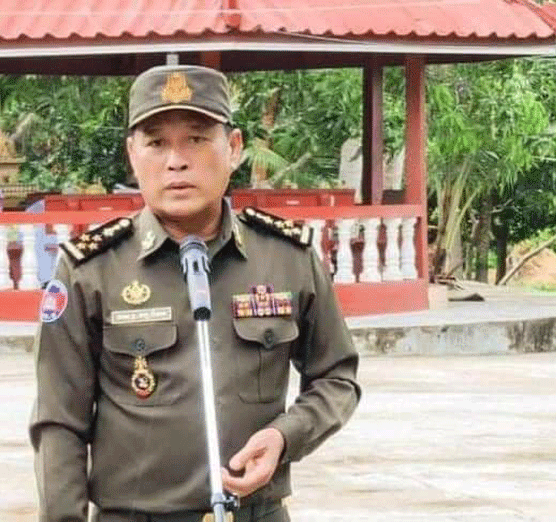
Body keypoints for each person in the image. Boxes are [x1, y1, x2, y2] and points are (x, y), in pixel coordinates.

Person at [29, 64, 361, 522]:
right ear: (132, 154)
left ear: (234, 147)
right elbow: (59, 421)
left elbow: (336, 377)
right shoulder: (89, 270)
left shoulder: (287, 257)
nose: (176, 161)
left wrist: (286, 435)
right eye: (156, 143)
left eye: (196, 139)